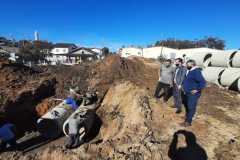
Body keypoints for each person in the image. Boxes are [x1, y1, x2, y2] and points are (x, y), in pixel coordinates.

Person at [181, 60, 206, 127]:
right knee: (189, 105)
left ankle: (188, 122)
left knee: (191, 106)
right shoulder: (189, 71)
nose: (186, 65)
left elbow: (203, 82)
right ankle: (189, 116)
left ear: (192, 64)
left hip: (193, 94)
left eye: (187, 64)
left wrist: (197, 89)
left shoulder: (196, 72)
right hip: (187, 92)